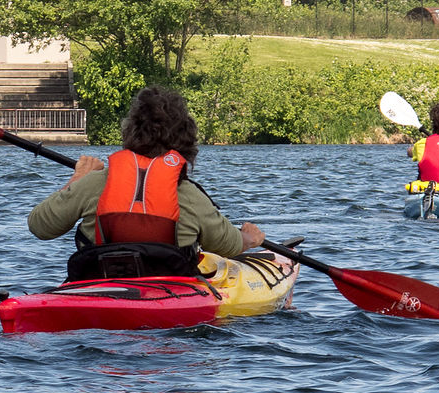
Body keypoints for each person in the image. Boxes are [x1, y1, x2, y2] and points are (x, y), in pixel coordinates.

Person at [27, 85, 265, 282]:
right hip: (169, 297)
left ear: (130, 134)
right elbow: (228, 245)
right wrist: (249, 238)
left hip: (98, 288)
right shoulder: (190, 195)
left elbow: (40, 226)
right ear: (186, 144)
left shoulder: (93, 184)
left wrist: (78, 179)